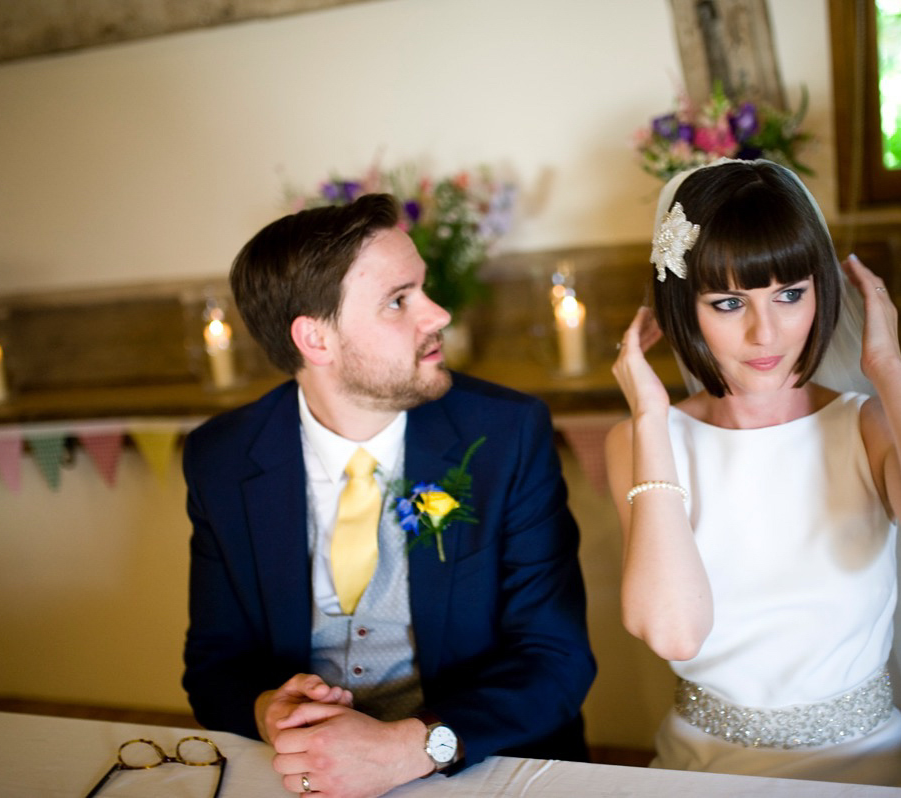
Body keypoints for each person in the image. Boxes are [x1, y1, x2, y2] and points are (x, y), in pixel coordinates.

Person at [606, 159, 901, 788]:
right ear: (682, 307)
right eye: (727, 301)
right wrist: (652, 420)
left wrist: (888, 368)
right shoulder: (642, 440)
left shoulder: (867, 427)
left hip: (873, 772)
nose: (764, 332)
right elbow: (675, 632)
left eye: (790, 294)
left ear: (823, 289)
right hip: (702, 774)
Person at [182, 193, 595, 797]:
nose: (438, 315)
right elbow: (214, 665)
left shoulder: (505, 435)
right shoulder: (222, 458)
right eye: (399, 301)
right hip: (302, 780)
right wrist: (269, 708)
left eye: (421, 290)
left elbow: (556, 661)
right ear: (315, 340)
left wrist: (414, 747)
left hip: (479, 770)